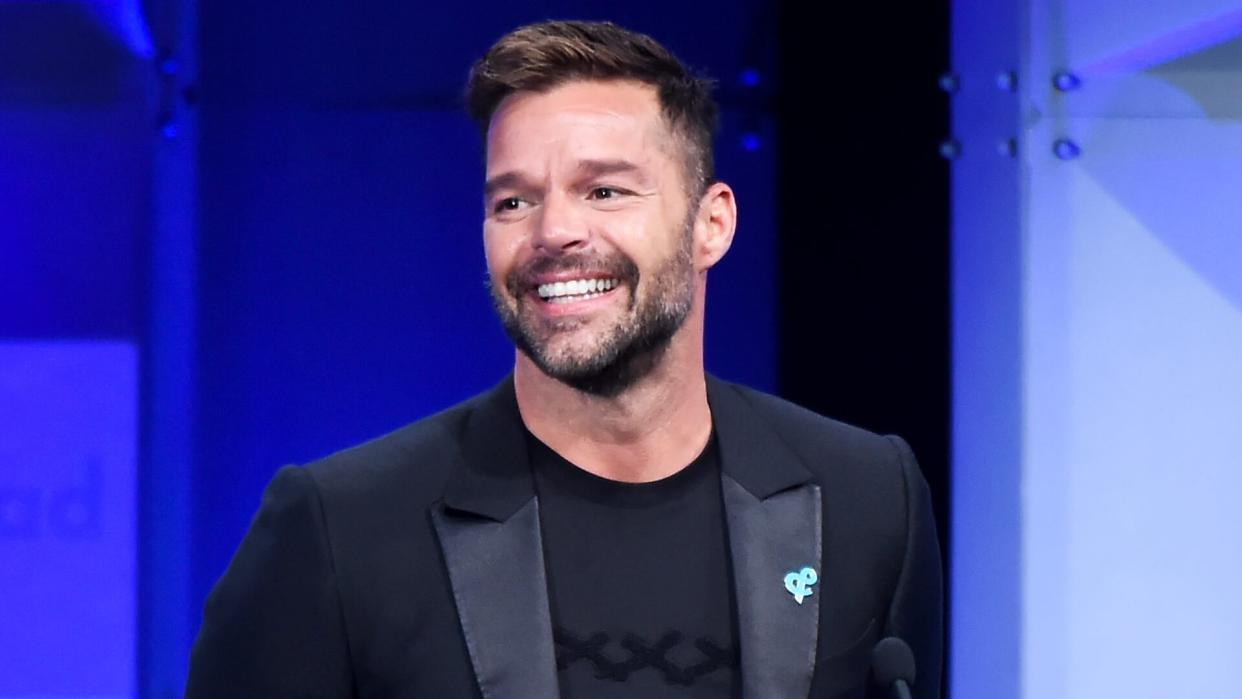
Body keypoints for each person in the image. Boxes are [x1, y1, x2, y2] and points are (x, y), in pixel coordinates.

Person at [185, 19, 942, 699]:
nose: (553, 232)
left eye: (604, 190)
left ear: (711, 224)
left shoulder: (868, 498)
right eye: (512, 201)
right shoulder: (339, 528)